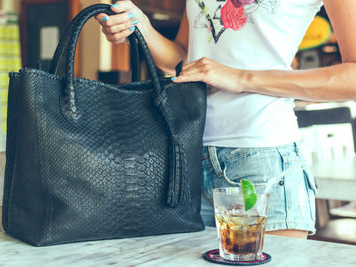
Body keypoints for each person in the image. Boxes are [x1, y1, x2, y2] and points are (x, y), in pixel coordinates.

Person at [95, 0, 356, 239]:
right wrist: (143, 27)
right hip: (187, 159)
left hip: (261, 159)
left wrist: (241, 78)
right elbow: (189, 61)